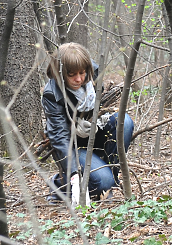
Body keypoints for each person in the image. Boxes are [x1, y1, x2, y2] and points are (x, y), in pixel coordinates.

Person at [42, 42, 134, 202]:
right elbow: (59, 138)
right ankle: (59, 183)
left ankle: (107, 180)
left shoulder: (93, 74)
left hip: (95, 136)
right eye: (72, 75)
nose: (79, 79)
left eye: (82, 73)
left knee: (124, 121)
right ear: (61, 73)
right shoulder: (52, 95)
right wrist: (73, 176)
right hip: (73, 147)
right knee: (103, 181)